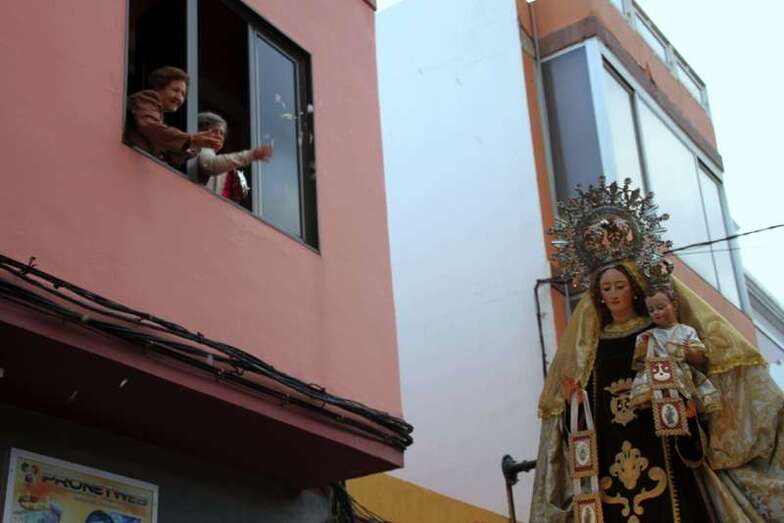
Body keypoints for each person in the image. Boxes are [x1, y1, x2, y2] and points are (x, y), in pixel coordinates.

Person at [530, 177, 784, 522]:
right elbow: (579, 406)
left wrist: (687, 403)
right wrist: (573, 400)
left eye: (620, 286)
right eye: (607, 288)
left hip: (664, 442)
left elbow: (692, 372)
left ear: (634, 288)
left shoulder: (659, 332)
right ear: (598, 295)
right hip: (609, 453)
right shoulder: (590, 348)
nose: (613, 294)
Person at [629, 287, 721, 420]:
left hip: (682, 376)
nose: (656, 313)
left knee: (686, 412)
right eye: (651, 310)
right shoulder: (647, 335)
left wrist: (688, 352)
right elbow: (639, 362)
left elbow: (700, 358)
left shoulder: (686, 331)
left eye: (660, 307)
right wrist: (644, 347)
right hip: (655, 379)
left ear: (674, 305)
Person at [125, 66, 221, 166]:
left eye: (183, 94)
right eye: (175, 90)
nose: (179, 98)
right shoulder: (149, 97)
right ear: (159, 87)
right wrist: (191, 139)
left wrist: (197, 145)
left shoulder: (160, 121)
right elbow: (150, 127)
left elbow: (172, 157)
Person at [193, 112, 272, 203]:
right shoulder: (201, 149)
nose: (219, 136)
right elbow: (211, 164)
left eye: (222, 133)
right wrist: (251, 155)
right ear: (201, 131)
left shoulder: (226, 170)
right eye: (214, 131)